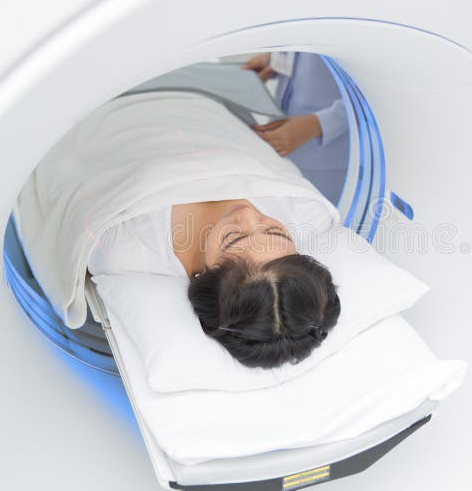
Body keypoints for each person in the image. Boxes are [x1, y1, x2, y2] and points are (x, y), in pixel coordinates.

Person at [88, 196, 341, 369]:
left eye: (232, 237)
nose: (248, 214)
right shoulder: (307, 209)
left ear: (205, 280)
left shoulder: (124, 250)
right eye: (275, 231)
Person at [243, 52, 350, 204]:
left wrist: (317, 124)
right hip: (281, 141)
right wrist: (273, 60)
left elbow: (370, 94)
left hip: (325, 157)